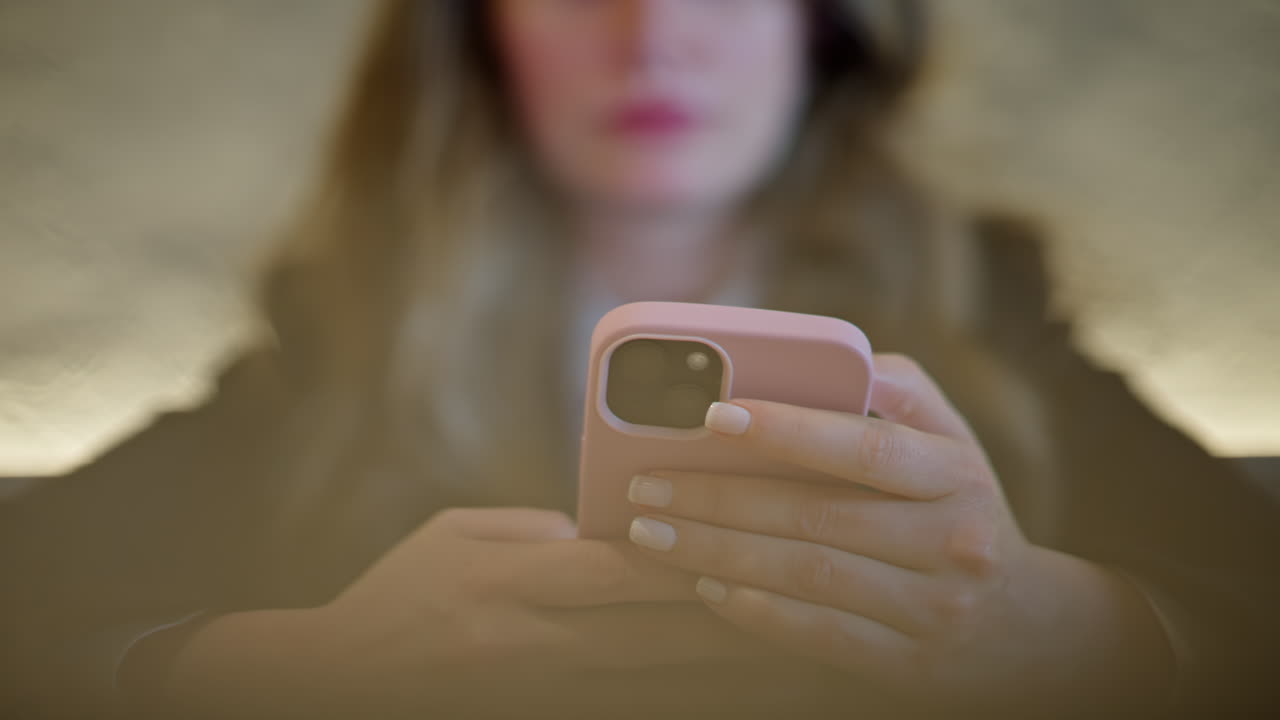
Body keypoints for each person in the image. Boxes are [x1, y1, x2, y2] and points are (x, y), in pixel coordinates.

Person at [2, 0, 1277, 717]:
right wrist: (290, 671)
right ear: (482, 35)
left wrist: (1060, 634)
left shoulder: (988, 311)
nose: (651, 32)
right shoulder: (341, 338)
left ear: (817, 28)